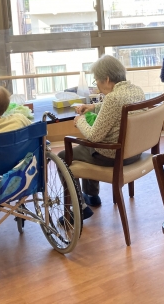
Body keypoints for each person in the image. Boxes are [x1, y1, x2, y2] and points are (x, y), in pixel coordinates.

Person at [58, 55, 145, 219]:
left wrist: (80, 121)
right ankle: (91, 195)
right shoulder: (136, 90)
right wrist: (93, 107)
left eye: (96, 80)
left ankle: (78, 208)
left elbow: (94, 136)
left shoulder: (113, 98)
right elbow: (116, 107)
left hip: (113, 156)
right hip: (134, 152)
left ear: (107, 79)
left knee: (63, 156)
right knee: (87, 148)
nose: (96, 84)